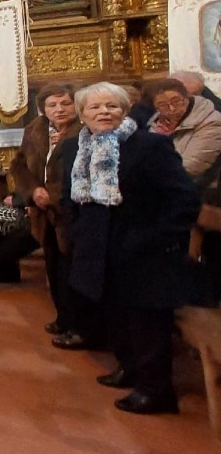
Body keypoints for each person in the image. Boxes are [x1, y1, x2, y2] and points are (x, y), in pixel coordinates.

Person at [61, 82, 200, 415]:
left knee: (147, 320)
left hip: (144, 249)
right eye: (95, 107)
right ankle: (129, 367)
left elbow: (183, 197)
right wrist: (79, 230)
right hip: (99, 245)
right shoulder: (79, 149)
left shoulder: (149, 146)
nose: (104, 112)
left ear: (125, 110)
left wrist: (158, 237)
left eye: (112, 106)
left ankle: (156, 390)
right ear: (83, 115)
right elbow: (72, 197)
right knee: (115, 313)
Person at [0, 84, 80, 307]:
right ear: (43, 109)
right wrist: (31, 193)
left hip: (65, 205)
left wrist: (37, 199)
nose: (59, 109)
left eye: (65, 103)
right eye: (52, 105)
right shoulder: (35, 129)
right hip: (35, 200)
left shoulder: (83, 132)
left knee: (30, 235)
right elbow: (19, 165)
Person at [146, 77, 221, 188]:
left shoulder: (210, 120)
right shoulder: (156, 122)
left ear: (187, 97)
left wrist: (147, 174)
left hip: (193, 186)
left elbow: (192, 165)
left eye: (176, 101)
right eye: (162, 105)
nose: (171, 108)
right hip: (162, 182)